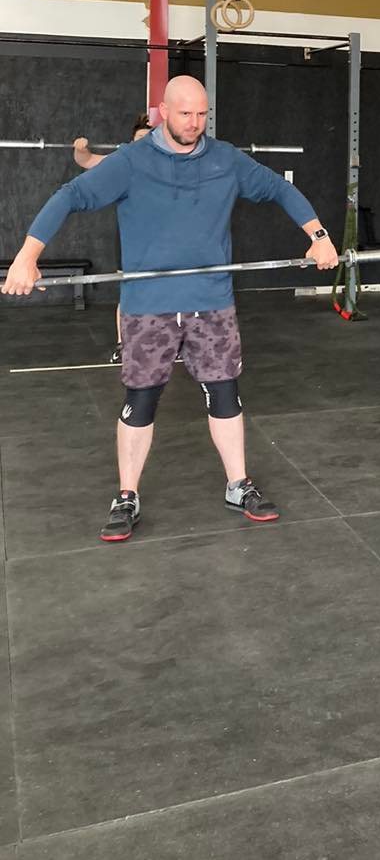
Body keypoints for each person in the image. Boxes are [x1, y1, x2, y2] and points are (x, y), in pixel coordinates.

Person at [2, 76, 339, 543]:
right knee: (141, 401)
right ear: (163, 111)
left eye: (202, 115)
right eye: (185, 114)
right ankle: (126, 496)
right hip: (148, 307)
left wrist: (318, 236)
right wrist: (27, 256)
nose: (195, 124)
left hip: (210, 302)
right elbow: (71, 196)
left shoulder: (226, 159)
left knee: (225, 394)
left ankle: (238, 485)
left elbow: (280, 190)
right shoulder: (132, 161)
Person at [73, 112, 152, 363]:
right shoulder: (122, 161)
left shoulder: (166, 164)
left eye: (147, 138)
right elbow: (87, 161)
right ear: (131, 142)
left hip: (160, 241)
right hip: (130, 241)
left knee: (161, 291)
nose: (142, 142)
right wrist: (81, 149)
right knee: (129, 293)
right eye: (138, 138)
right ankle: (123, 344)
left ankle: (161, 342)